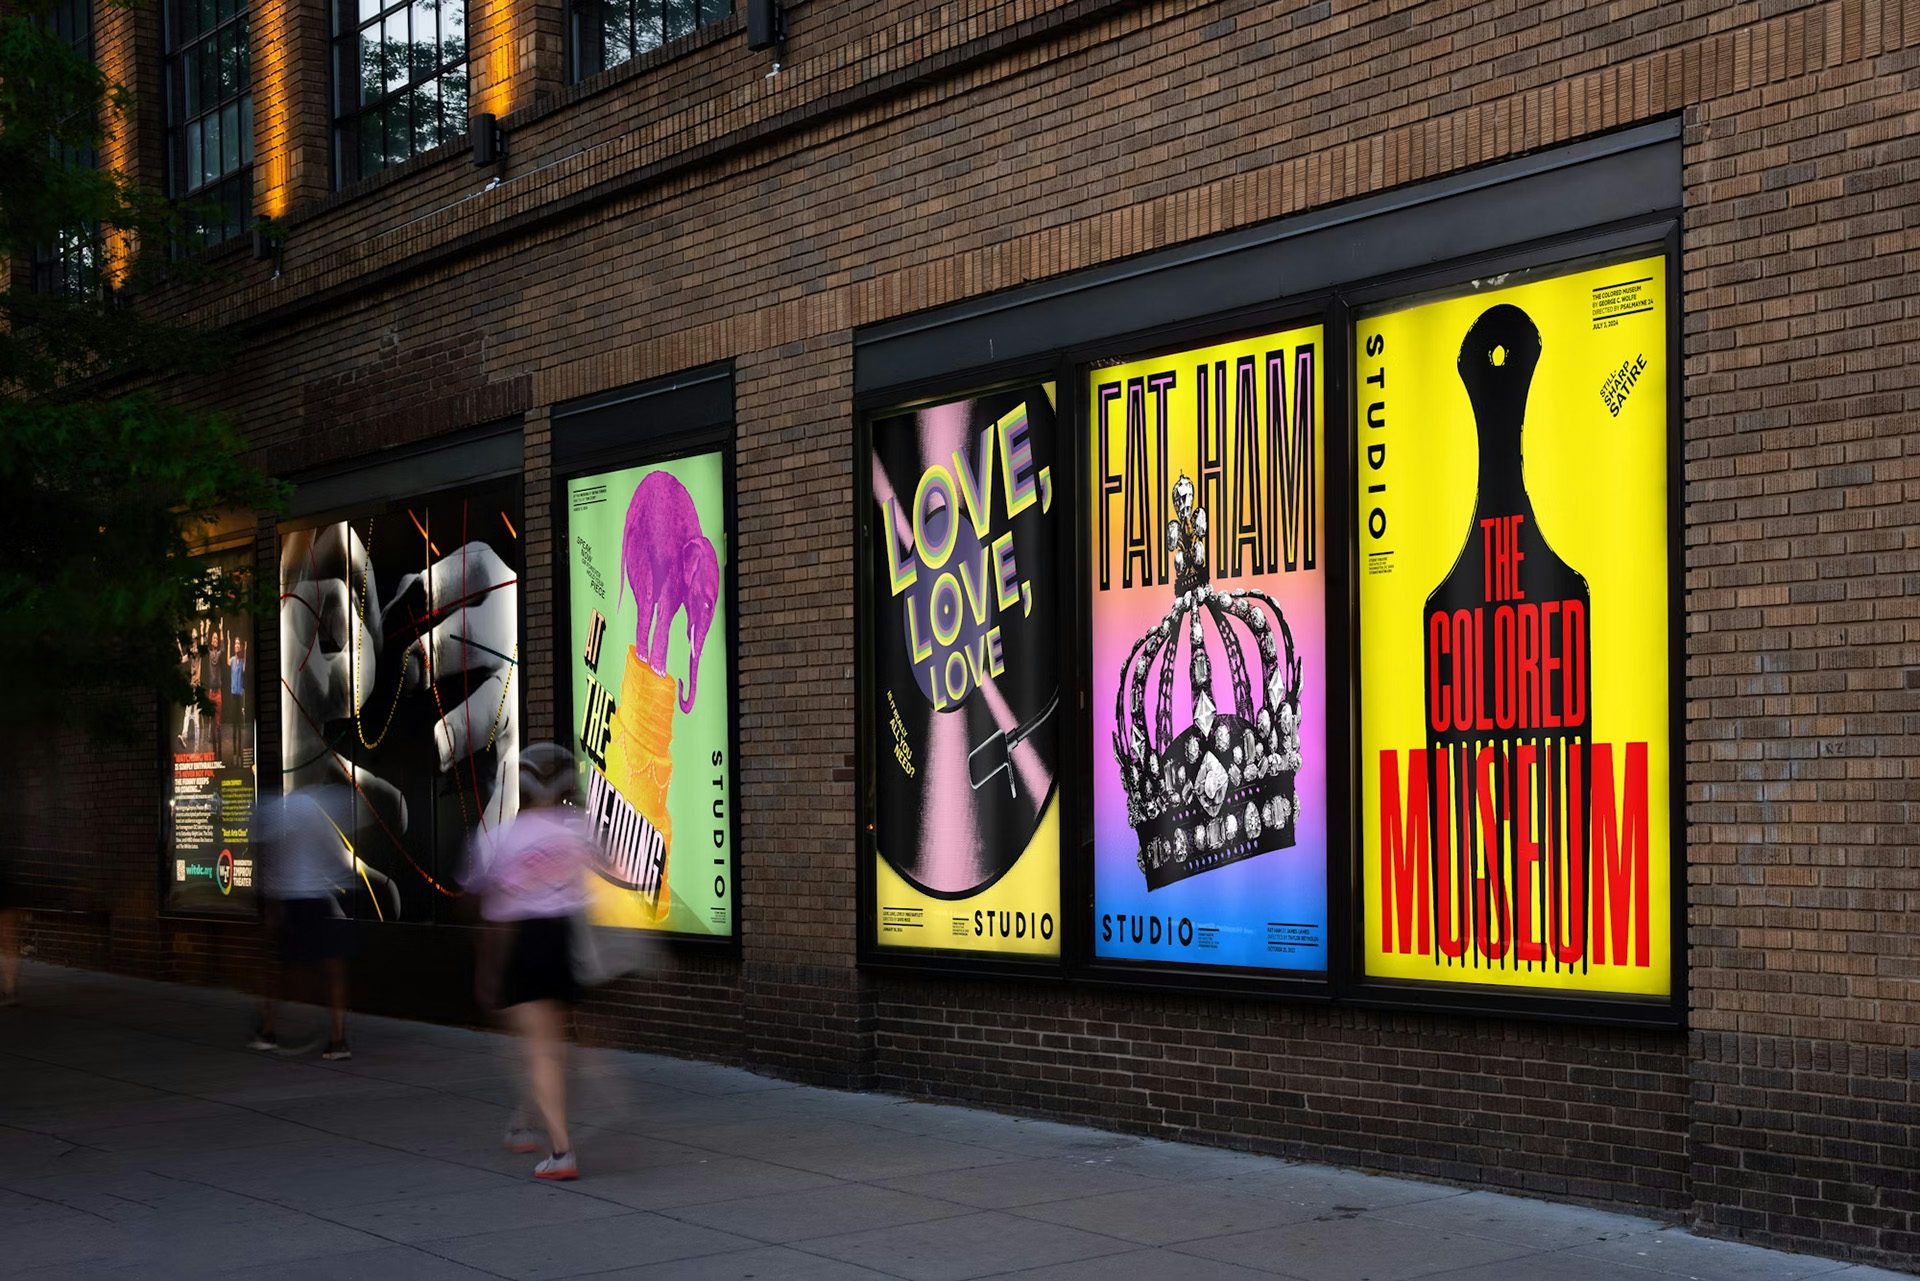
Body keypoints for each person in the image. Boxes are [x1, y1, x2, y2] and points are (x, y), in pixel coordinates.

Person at [464, 744, 594, 1181]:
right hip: (565, 939)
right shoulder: (576, 831)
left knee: (536, 1050)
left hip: (525, 942)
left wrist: (488, 970)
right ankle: (523, 1120)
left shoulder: (499, 838)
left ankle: (561, 1151)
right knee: (546, 1046)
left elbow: (486, 905)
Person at [252, 785, 356, 1060]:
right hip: (325, 897)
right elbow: (338, 856)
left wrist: (270, 904)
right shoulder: (325, 807)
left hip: (292, 897)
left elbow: (267, 860)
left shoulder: (273, 813)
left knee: (281, 967)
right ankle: (338, 1039)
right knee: (333, 968)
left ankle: (269, 1031)